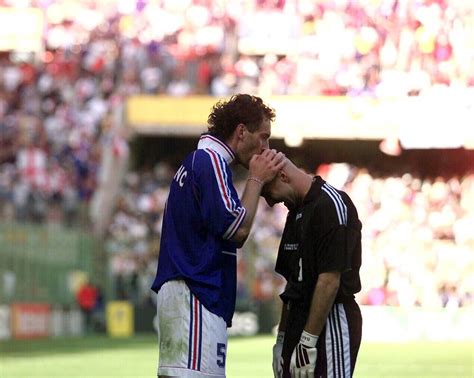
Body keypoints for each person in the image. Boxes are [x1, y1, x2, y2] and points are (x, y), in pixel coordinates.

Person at [151, 94, 285, 377]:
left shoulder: (200, 161)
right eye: (263, 137)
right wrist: (257, 179)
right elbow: (238, 230)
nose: (266, 147)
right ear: (241, 132)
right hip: (196, 292)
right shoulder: (210, 161)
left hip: (188, 292)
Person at [261, 158, 363, 378]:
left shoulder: (330, 204)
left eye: (269, 193)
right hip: (300, 322)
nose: (269, 202)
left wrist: (308, 341)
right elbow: (292, 286)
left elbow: (329, 280)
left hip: (331, 320)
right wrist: (282, 338)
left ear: (283, 176)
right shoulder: (296, 210)